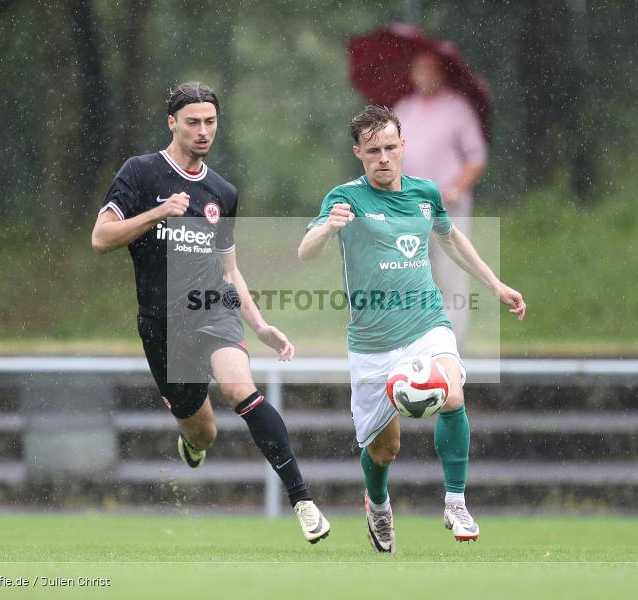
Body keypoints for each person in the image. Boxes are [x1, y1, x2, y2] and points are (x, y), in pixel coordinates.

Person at [91, 82, 330, 543]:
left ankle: (302, 500)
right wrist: (159, 212)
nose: (203, 132)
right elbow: (101, 238)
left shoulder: (223, 192)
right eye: (193, 122)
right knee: (203, 433)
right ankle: (192, 442)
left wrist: (259, 324)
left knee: (241, 387)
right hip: (162, 323)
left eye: (211, 122)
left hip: (212, 307)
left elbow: (230, 270)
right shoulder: (140, 173)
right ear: (172, 124)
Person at [298, 105, 525, 552]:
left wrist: (495, 284)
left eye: (390, 148)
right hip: (372, 343)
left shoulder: (425, 193)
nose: (383, 157)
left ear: (403, 146)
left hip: (425, 322)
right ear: (358, 154)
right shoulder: (344, 197)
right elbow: (305, 250)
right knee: (384, 450)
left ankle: (456, 501)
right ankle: (378, 504)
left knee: (452, 391)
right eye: (373, 151)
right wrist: (328, 227)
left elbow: (450, 237)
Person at [394, 52, 487, 349]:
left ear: (442, 73)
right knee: (413, 276)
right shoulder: (403, 109)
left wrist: (457, 188)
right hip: (409, 208)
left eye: (431, 70)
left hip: (448, 207)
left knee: (452, 275)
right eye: (419, 69)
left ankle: (451, 348)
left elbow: (476, 157)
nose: (425, 76)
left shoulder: (457, 108)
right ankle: (417, 344)